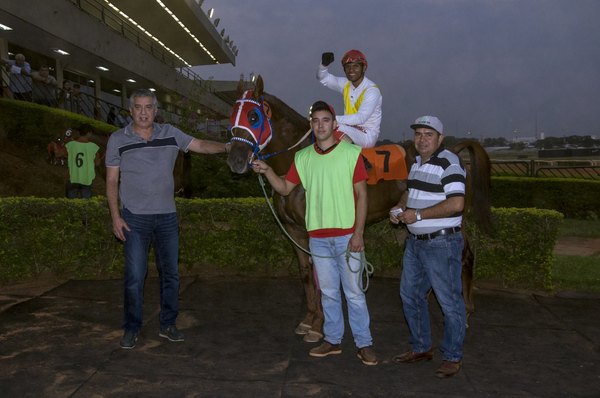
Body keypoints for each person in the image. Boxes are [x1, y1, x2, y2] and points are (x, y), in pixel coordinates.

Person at [251, 100, 378, 366]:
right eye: (316, 121)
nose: (320, 125)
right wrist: (268, 171)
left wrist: (359, 234)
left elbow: (362, 195)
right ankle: (332, 340)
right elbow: (285, 188)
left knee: (354, 293)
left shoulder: (351, 153)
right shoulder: (303, 157)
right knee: (330, 293)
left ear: (333, 123)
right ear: (312, 125)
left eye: (325, 120)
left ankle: (364, 344)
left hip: (346, 237)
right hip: (318, 240)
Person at [105, 88, 230, 349]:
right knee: (135, 277)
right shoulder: (118, 139)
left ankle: (168, 324)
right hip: (134, 220)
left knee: (171, 275)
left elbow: (200, 145)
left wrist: (228, 147)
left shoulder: (170, 133)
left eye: (148, 107)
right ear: (131, 111)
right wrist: (115, 217)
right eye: (138, 107)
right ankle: (131, 328)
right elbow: (111, 180)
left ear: (155, 111)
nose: (143, 112)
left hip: (166, 218)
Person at [389, 115, 467, 378]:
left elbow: (457, 203)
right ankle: (421, 347)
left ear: (440, 138)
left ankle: (452, 356)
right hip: (416, 244)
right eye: (419, 134)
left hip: (442, 244)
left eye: (429, 134)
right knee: (410, 295)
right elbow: (411, 194)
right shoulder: (418, 163)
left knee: (449, 302)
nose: (422, 139)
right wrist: (400, 207)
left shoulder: (449, 162)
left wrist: (419, 216)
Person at [316, 50, 382, 148]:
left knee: (332, 126)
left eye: (356, 66)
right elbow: (323, 78)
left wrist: (330, 119)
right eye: (348, 67)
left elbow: (360, 118)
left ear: (364, 68)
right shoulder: (345, 84)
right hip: (349, 129)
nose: (351, 70)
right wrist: (323, 66)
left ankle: (359, 159)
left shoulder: (372, 90)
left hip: (366, 135)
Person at [65, 124, 101, 199]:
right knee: (86, 203)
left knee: (71, 202)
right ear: (89, 133)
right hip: (86, 179)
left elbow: (62, 154)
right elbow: (97, 163)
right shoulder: (93, 147)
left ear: (79, 132)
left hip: (72, 177)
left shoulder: (70, 145)